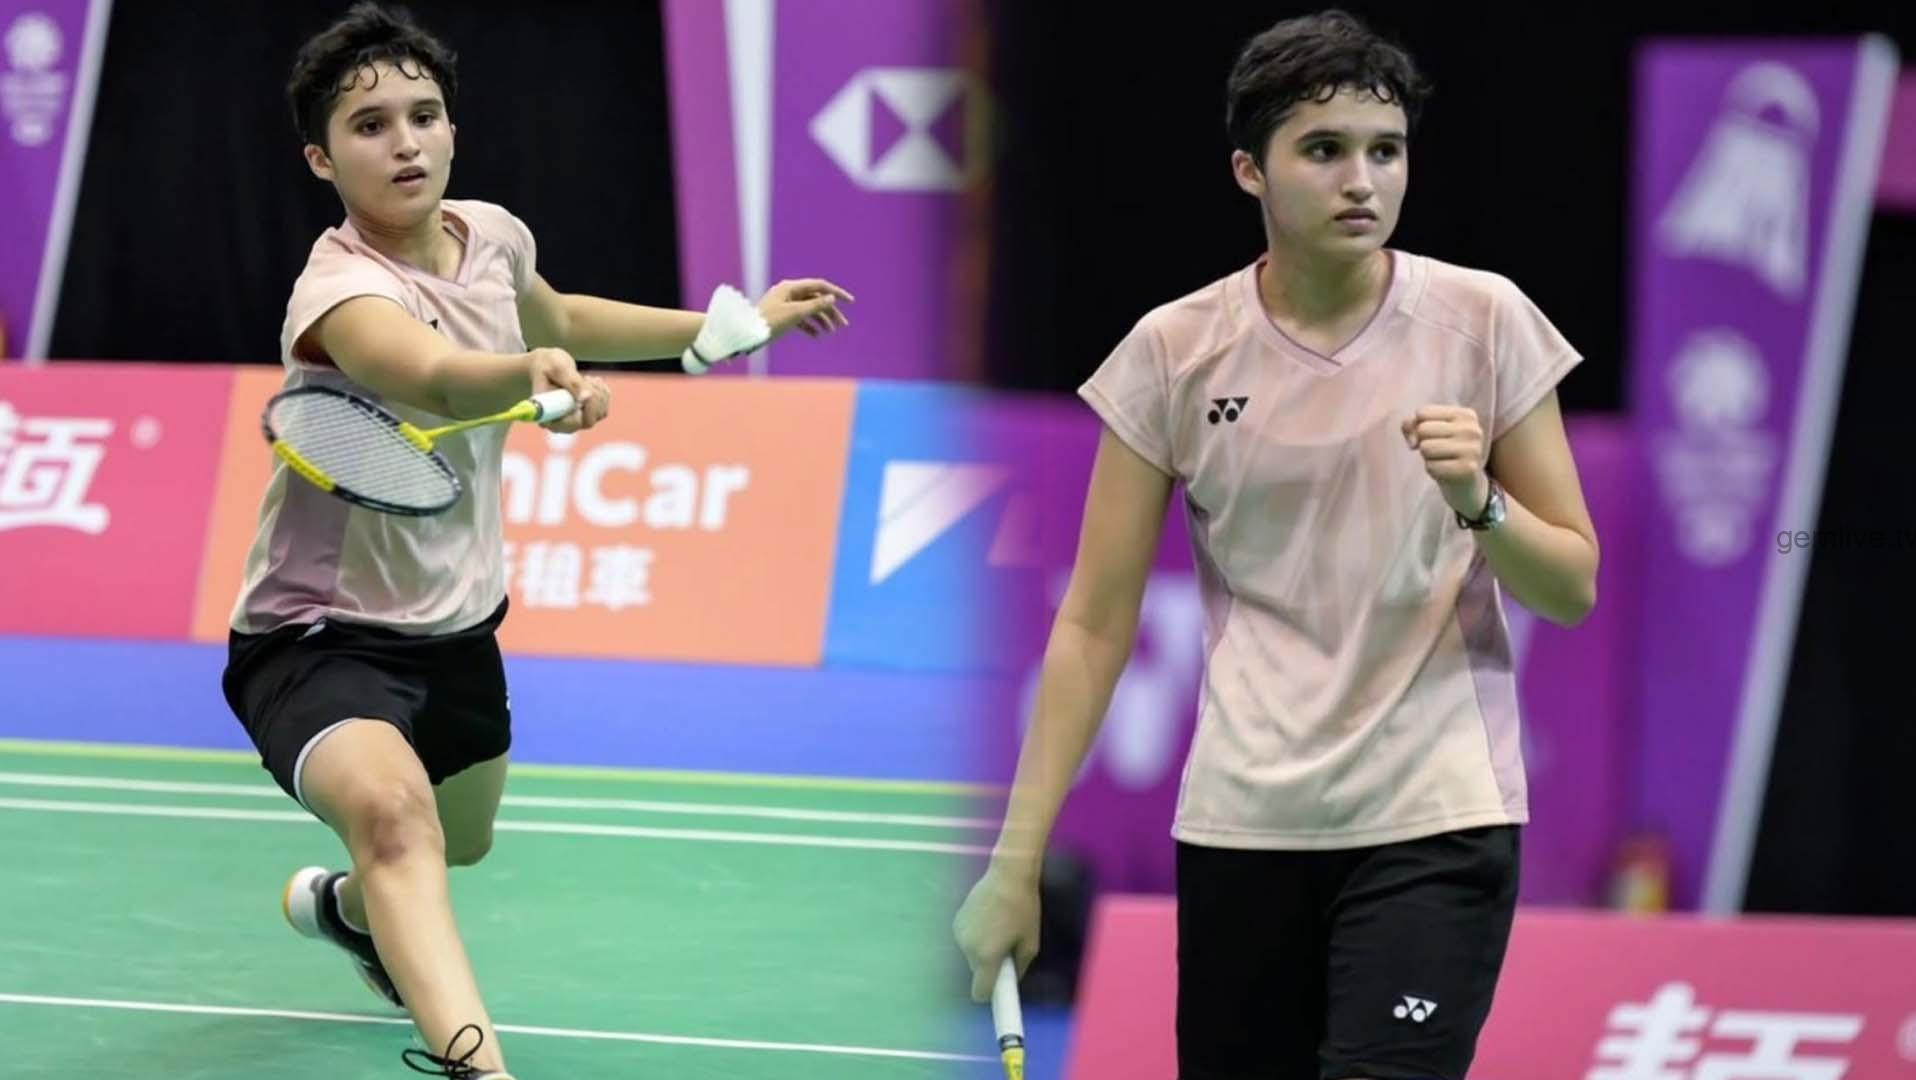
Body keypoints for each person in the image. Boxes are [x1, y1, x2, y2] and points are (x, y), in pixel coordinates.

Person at [952, 10, 1599, 1080]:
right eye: (1325, 150)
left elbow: (1571, 585)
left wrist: (1478, 499)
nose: (1363, 182)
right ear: (1250, 170)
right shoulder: (1174, 352)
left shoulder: (1485, 321)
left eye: (1386, 152)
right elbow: (1094, 626)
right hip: (1243, 827)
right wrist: (1015, 865)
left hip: (1434, 818)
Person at [220, 4, 851, 1076]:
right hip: (317, 635)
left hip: (457, 627)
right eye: (370, 126)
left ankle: (353, 913)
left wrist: (724, 329)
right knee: (398, 824)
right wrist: (526, 380)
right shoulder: (340, 292)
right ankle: (480, 1066)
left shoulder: (492, 235)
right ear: (321, 159)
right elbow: (429, 374)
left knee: (456, 843)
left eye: (424, 116)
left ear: (452, 130)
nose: (406, 142)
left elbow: (555, 319)